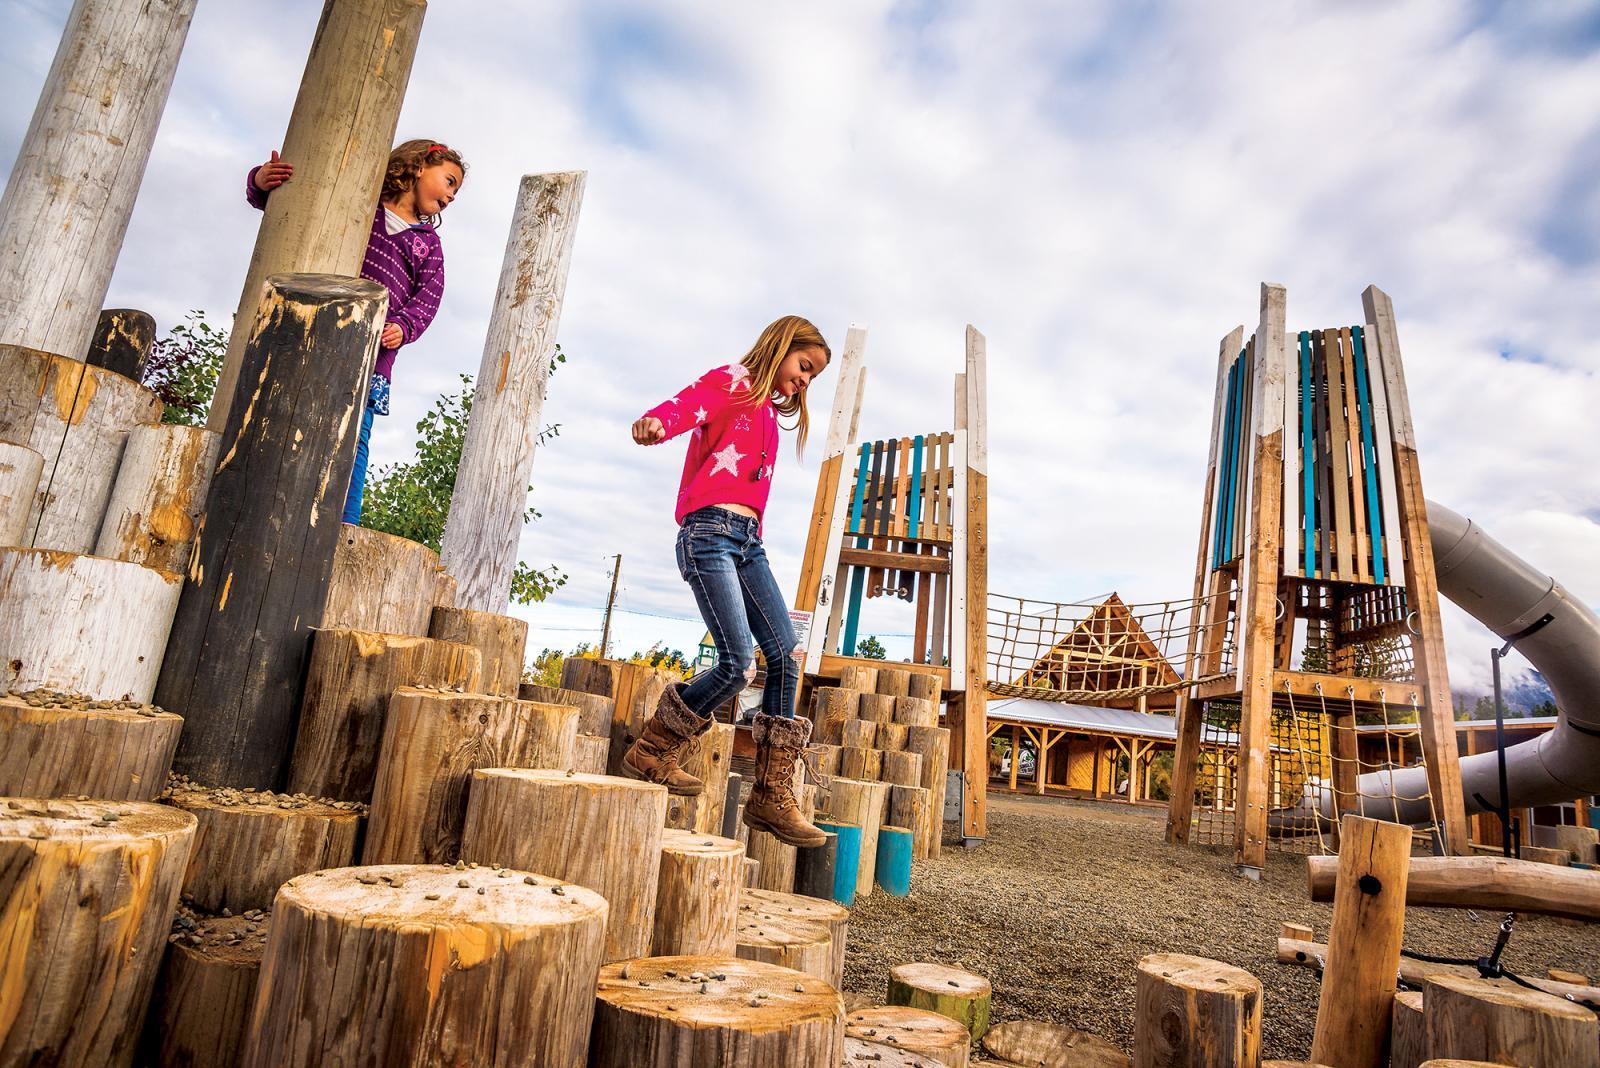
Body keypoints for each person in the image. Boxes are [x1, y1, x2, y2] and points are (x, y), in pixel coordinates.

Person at [622, 316, 832, 847]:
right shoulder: (731, 381)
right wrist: (653, 422)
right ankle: (653, 746)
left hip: (747, 542)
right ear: (780, 347)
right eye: (804, 366)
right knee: (738, 664)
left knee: (786, 653)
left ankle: (770, 795)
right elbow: (683, 405)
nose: (806, 381)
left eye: (814, 377)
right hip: (709, 532)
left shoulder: (765, 410)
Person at [245, 139, 466, 522]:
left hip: (370, 356)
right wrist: (260, 184)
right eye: (449, 182)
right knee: (289, 417)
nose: (451, 196)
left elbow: (429, 298)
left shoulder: (427, 245)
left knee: (354, 437)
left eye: (456, 190)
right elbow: (303, 214)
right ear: (417, 166)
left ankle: (345, 520)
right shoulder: (361, 206)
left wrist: (403, 325)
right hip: (313, 336)